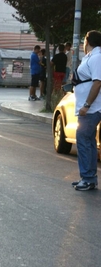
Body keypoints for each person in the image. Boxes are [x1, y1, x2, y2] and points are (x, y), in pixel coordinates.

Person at [71, 30, 101, 191]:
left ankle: (88, 178)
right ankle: (89, 178)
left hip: (91, 109)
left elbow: (97, 83)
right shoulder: (91, 56)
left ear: (88, 41)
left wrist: (87, 105)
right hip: (88, 108)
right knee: (88, 142)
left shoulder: (97, 57)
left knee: (84, 141)